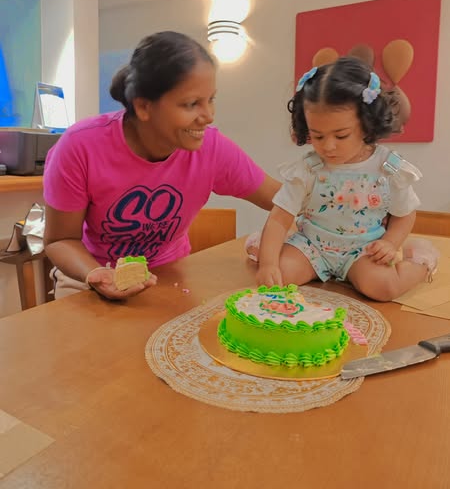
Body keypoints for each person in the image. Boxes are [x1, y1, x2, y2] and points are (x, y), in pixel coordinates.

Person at [43, 31, 280, 300]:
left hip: (169, 274)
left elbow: (287, 201)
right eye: (192, 104)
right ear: (143, 107)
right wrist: (96, 275)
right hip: (88, 277)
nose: (209, 116)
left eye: (211, 100)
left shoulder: (212, 148)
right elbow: (60, 240)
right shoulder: (80, 146)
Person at [256, 56, 438, 302]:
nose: (328, 146)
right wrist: (268, 264)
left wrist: (390, 242)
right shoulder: (308, 169)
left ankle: (421, 261)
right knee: (280, 274)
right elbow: (279, 218)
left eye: (341, 136)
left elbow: (404, 214)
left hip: (363, 250)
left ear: (367, 124)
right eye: (317, 136)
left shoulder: (388, 168)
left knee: (384, 287)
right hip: (312, 246)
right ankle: (265, 249)